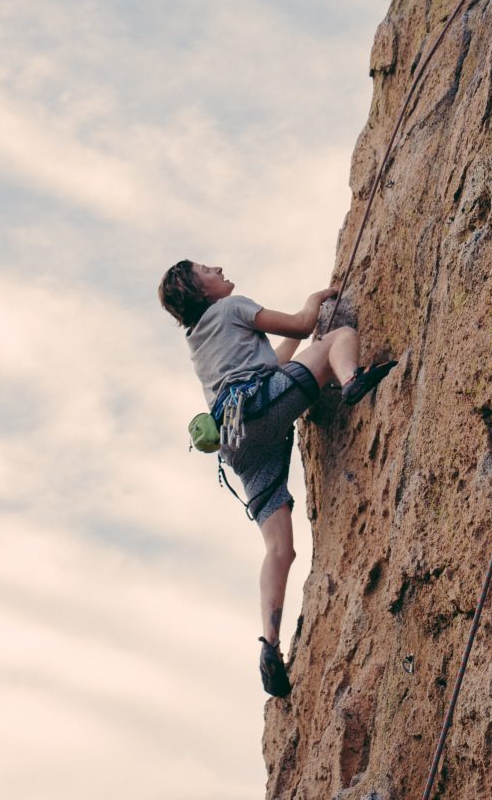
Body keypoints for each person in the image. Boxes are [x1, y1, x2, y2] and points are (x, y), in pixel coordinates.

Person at [158, 259, 395, 697]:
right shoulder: (231, 309)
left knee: (279, 548)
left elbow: (275, 367)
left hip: (235, 438)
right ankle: (352, 380)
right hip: (259, 411)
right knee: (339, 337)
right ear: (201, 290)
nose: (219, 267)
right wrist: (315, 303)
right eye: (207, 269)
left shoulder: (200, 339)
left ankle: (269, 644)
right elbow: (305, 326)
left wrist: (302, 343)